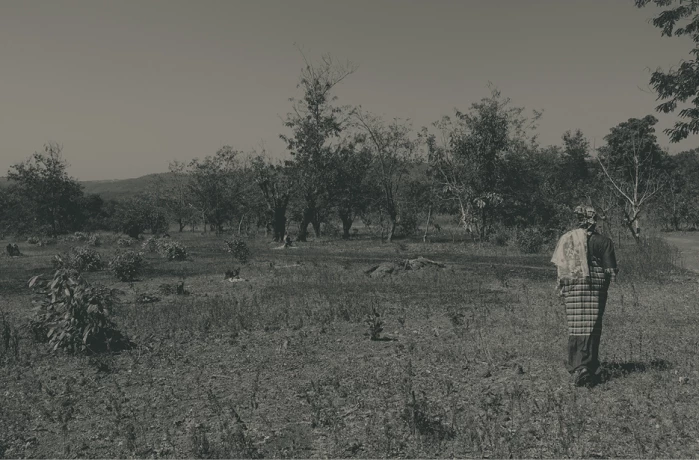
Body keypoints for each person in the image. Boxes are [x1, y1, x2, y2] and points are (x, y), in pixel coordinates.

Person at [551, 205, 618, 387]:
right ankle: (588, 366)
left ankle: (577, 366)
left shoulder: (566, 239)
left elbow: (561, 266)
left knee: (576, 325)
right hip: (595, 288)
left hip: (572, 287)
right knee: (592, 325)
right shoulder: (603, 242)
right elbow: (611, 270)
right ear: (593, 221)